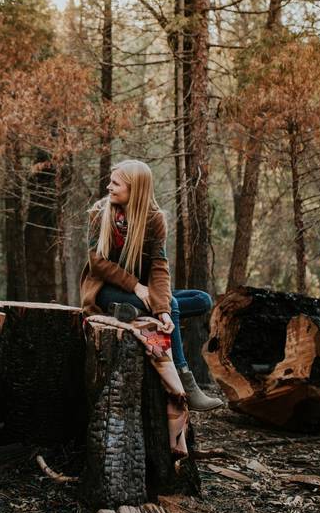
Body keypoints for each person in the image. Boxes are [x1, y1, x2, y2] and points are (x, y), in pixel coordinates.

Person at [80, 159, 223, 411]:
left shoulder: (154, 219)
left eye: (115, 183)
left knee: (202, 300)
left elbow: (159, 266)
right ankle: (183, 380)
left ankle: (133, 311)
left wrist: (163, 309)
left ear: (135, 189)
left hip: (142, 292)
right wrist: (136, 287)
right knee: (174, 304)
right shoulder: (99, 213)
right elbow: (97, 263)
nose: (108, 187)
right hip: (105, 290)